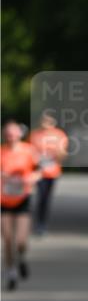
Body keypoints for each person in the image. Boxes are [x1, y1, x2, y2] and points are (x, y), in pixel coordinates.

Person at [1, 120, 41, 291]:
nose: (11, 136)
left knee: (21, 241)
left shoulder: (29, 151)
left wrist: (32, 178)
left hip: (23, 198)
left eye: (13, 132)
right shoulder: (1, 152)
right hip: (4, 200)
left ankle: (22, 257)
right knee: (8, 239)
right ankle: (11, 272)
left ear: (19, 133)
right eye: (7, 133)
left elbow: (40, 170)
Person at [28, 112, 68, 235]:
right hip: (38, 171)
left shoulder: (59, 135)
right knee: (40, 196)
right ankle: (37, 223)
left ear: (53, 122)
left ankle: (42, 223)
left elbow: (63, 155)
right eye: (44, 121)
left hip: (52, 171)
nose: (46, 124)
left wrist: (57, 152)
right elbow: (28, 151)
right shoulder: (35, 135)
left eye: (49, 121)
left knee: (46, 198)